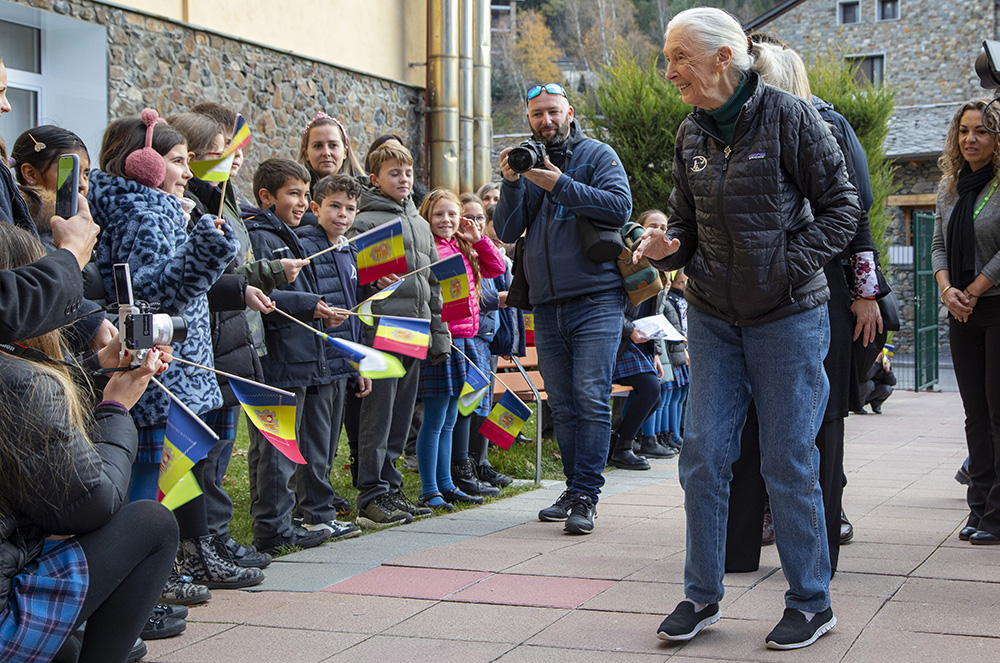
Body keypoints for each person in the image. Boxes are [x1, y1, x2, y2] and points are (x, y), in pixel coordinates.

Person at [635, 7, 859, 649]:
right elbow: (683, 225)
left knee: (788, 459)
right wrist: (663, 246)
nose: (670, 69)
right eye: (669, 55)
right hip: (712, 313)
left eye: (679, 55)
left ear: (722, 59)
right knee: (703, 456)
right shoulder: (690, 133)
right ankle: (701, 596)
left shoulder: (791, 117)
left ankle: (811, 601)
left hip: (788, 315)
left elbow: (844, 207)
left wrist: (786, 265)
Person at [724, 38, 884, 578]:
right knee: (746, 421)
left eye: (755, 74)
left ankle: (821, 543)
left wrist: (865, 293)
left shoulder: (826, 125)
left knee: (820, 420)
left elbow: (854, 217)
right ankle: (738, 546)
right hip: (747, 293)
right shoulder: (729, 131)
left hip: (821, 290)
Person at [0, 222, 177, 663]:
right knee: (151, 523)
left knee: (70, 649)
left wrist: (95, 369)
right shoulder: (23, 383)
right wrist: (115, 410)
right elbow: (92, 502)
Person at [494, 82, 632, 535]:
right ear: (528, 118)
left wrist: (561, 184)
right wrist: (512, 182)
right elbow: (508, 229)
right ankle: (574, 489)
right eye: (537, 115)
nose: (546, 121)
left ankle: (587, 496)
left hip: (597, 297)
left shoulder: (597, 154)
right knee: (566, 404)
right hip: (546, 302)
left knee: (591, 397)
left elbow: (619, 207)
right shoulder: (528, 161)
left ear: (569, 112)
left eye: (553, 112)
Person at [245, 158, 346, 553]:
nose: (303, 202)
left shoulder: (287, 233)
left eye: (306, 194)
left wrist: (317, 310)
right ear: (266, 197)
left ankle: (284, 521)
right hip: (279, 359)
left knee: (289, 448)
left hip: (299, 355)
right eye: (294, 194)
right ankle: (272, 528)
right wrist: (311, 304)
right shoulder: (261, 236)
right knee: (275, 448)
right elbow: (261, 291)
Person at [347, 142, 449, 528]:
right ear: (375, 179)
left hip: (415, 329)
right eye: (394, 173)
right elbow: (354, 280)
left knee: (403, 415)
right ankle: (372, 492)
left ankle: (391, 486)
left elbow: (433, 285)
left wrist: (438, 335)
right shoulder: (365, 222)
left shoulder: (421, 224)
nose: (403, 179)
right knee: (379, 414)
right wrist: (370, 282)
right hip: (383, 328)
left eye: (407, 172)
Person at [931, 98, 1000, 546]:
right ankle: (979, 507)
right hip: (960, 310)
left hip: (995, 305)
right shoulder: (950, 186)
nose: (970, 139)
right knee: (974, 413)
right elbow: (937, 243)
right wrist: (946, 289)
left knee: (999, 413)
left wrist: (972, 290)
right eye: (963, 132)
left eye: (981, 131)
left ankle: (998, 514)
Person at [414, 189, 505, 511]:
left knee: (452, 417)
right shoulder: (429, 248)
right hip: (442, 341)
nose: (446, 220)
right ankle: (430, 489)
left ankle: (447, 483)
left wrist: (478, 238)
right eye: (439, 214)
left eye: (452, 214)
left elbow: (496, 269)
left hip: (466, 339)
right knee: (436, 418)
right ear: (427, 216)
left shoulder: (462, 245)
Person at [293, 173, 370, 536]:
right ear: (315, 207)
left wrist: (359, 362)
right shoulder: (306, 246)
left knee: (329, 441)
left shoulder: (349, 249)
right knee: (316, 439)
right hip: (318, 357)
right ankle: (316, 513)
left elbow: (354, 311)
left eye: (350, 208)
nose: (342, 214)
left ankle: (316, 508)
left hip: (343, 358)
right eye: (334, 206)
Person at [298, 111, 364, 227]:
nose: (326, 153)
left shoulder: (366, 194)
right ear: (306, 153)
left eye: (333, 145)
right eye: (318, 146)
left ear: (345, 152)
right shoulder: (294, 199)